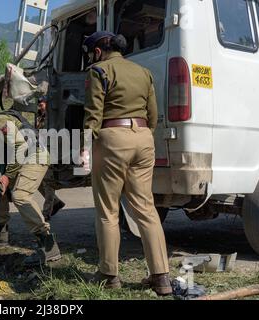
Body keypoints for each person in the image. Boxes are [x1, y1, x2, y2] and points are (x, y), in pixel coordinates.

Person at [82, 31, 172, 295]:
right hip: (143, 138)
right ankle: (161, 277)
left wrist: (85, 148)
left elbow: (93, 115)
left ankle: (109, 275)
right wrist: (142, 135)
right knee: (146, 209)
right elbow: (153, 115)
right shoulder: (144, 72)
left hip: (112, 139)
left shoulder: (99, 71)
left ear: (98, 51)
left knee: (108, 210)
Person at [0, 102, 61, 266]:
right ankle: (0, 234)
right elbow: (3, 155)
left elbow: (19, 147)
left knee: (21, 196)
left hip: (35, 155)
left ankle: (48, 246)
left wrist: (7, 176)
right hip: (24, 157)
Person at [36, 96, 66, 221]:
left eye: (42, 104)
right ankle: (56, 202)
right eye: (39, 104)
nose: (40, 107)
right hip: (42, 152)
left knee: (48, 181)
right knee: (39, 182)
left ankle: (47, 212)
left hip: (52, 152)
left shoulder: (54, 117)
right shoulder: (40, 117)